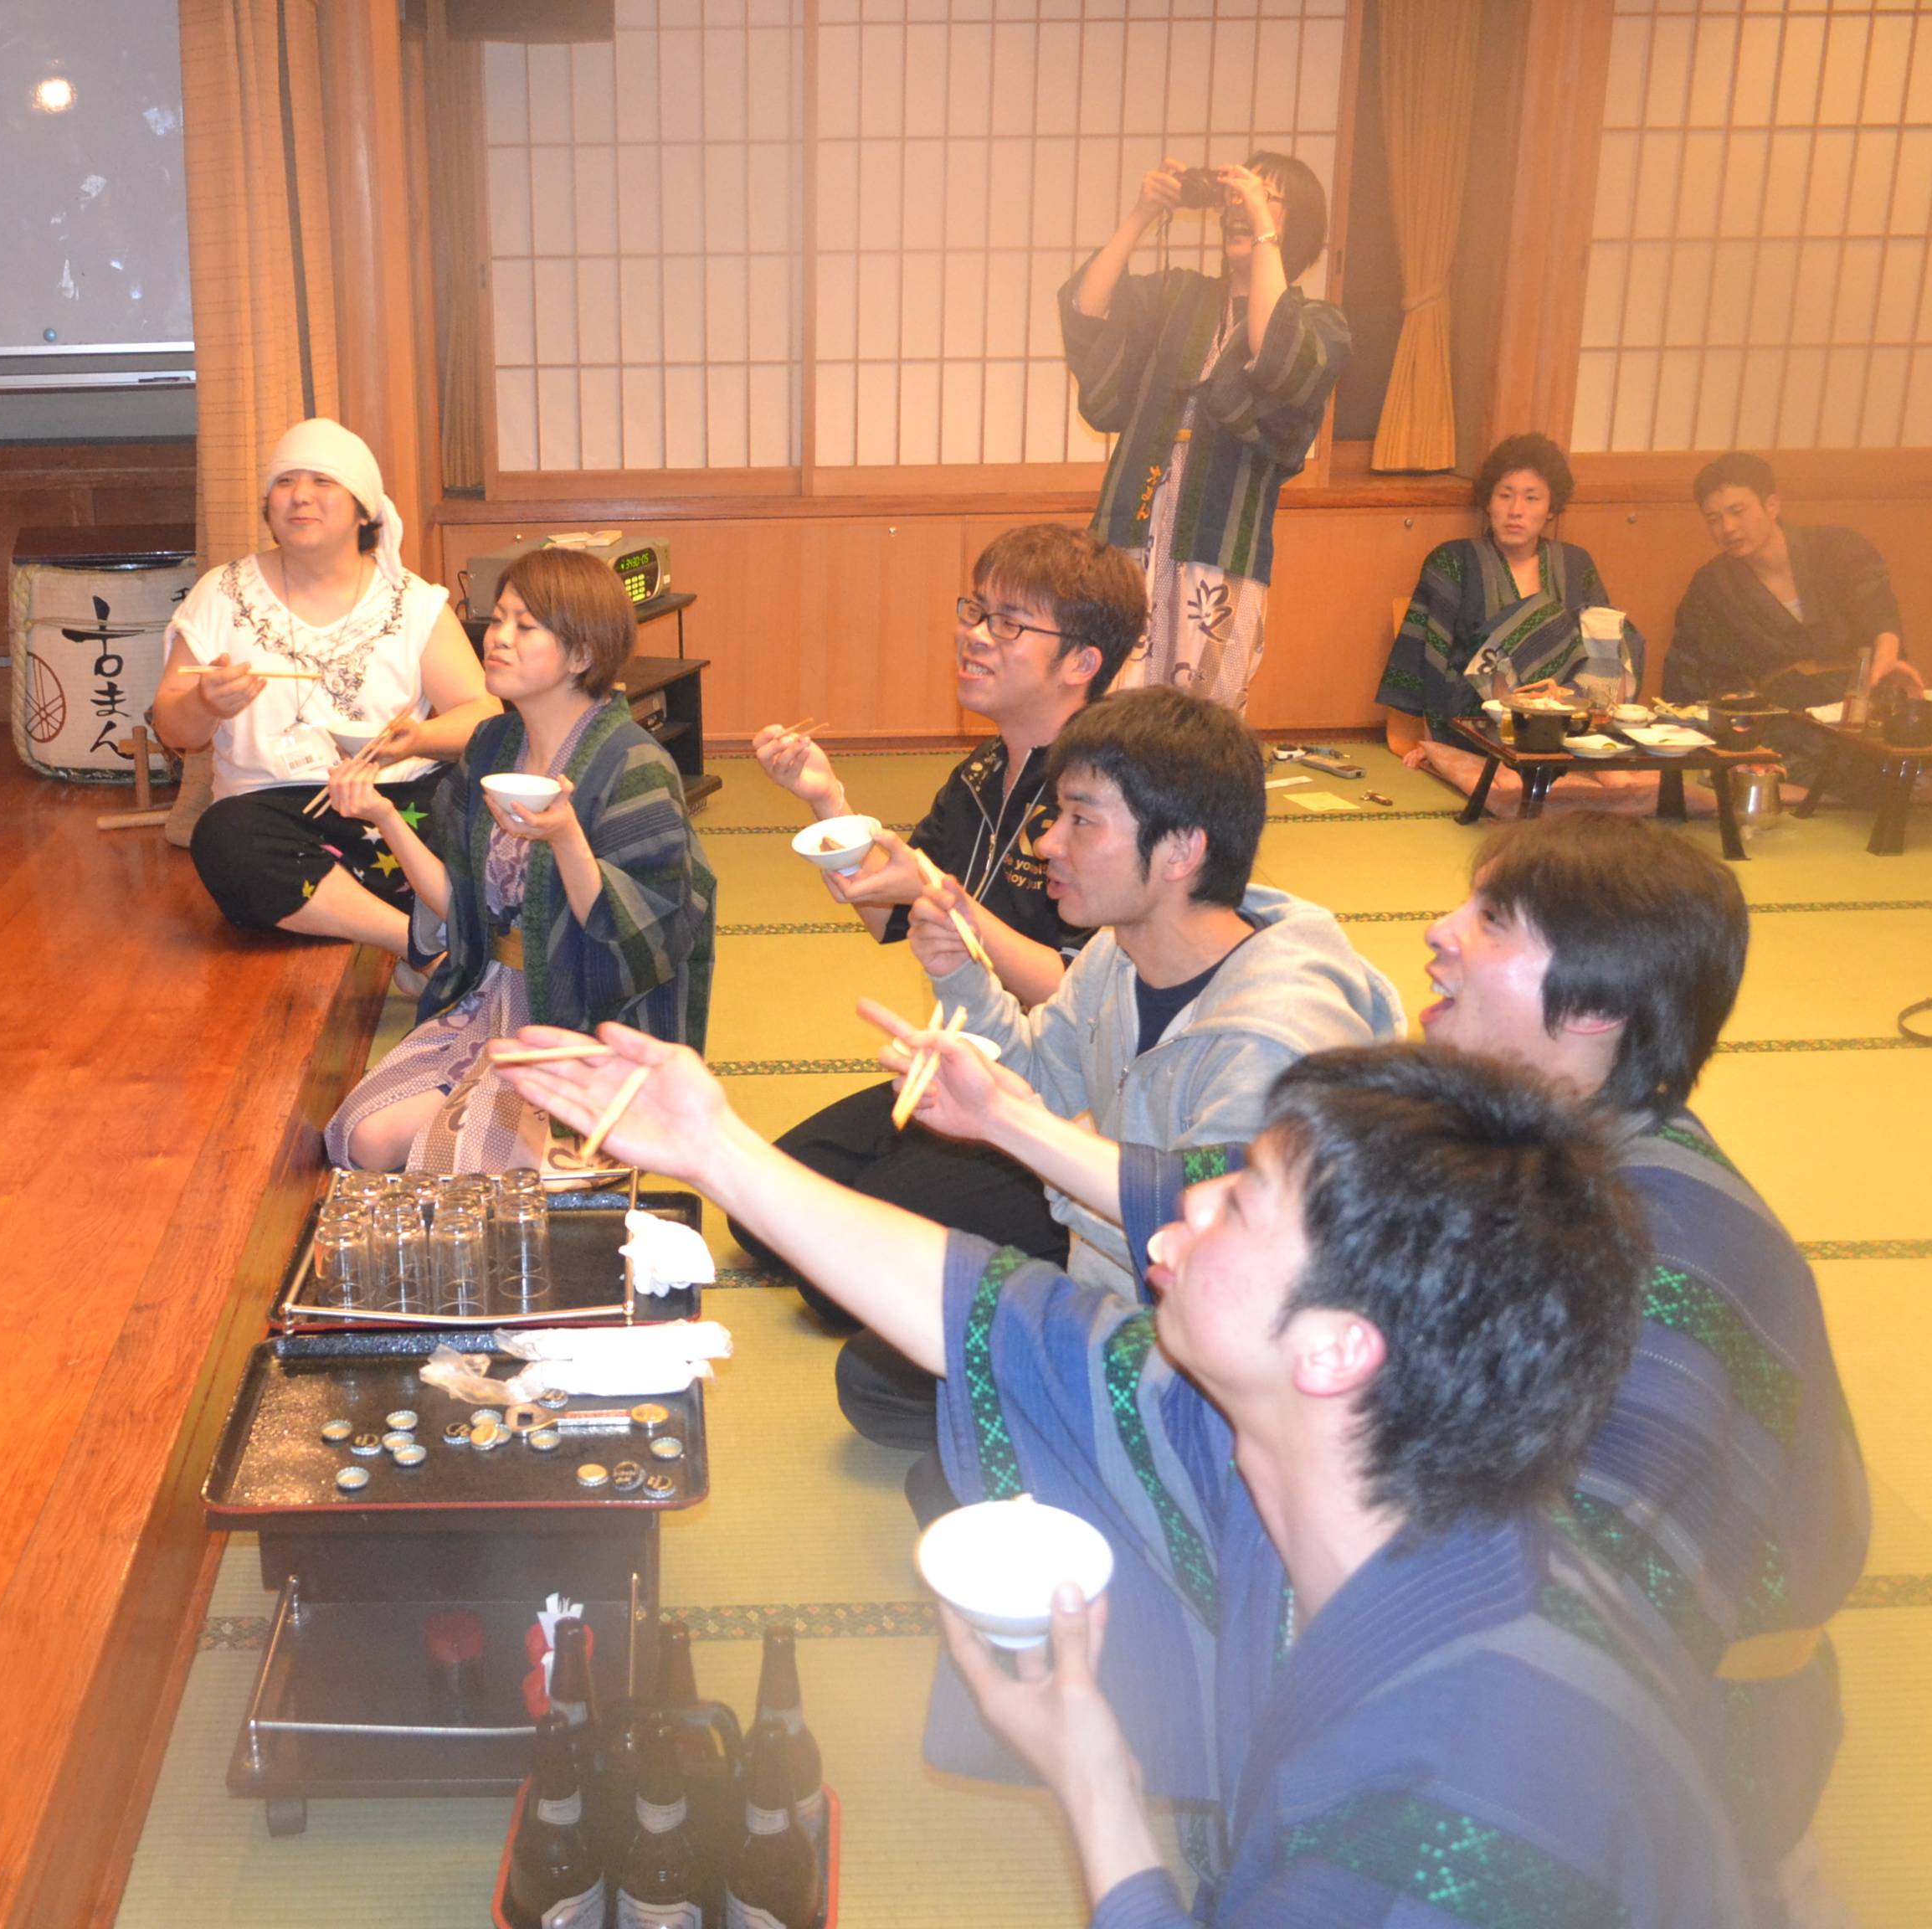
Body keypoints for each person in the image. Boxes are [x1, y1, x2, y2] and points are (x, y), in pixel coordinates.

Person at [499, 1033, 1754, 1927]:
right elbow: (996, 1314)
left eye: (1236, 1208)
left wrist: (1097, 1792)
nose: (1168, 1225)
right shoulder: (1334, 1464)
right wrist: (714, 1149)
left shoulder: (1474, 1793)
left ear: (1337, 1349)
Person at [1417, 815, 1867, 1912]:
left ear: (1596, 1006)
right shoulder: (1551, 1133)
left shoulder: (1665, 1244)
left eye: (1490, 920)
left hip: (1699, 1736)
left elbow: (1598, 1595)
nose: (1439, 933)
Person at [835, 687, 1401, 1504]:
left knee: (947, 1488)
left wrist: (1023, 1136)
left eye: (1081, 820)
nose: (1048, 842)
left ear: (1181, 851)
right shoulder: (1117, 953)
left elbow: (1199, 1253)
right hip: (1115, 1293)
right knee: (873, 1377)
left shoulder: (1269, 1044)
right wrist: (960, 977)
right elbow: (1041, 1076)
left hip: (1219, 1360)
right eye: (1056, 815)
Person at [736, 523, 1143, 1281]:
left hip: (1058, 1102)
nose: (975, 635)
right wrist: (828, 800)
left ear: (1081, 662)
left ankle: (1071, 1237)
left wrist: (946, 901)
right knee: (761, 1214)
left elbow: (1091, 993)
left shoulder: (1106, 794)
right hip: (964, 1065)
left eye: (1009, 623)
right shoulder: (982, 772)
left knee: (843, 1269)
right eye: (975, 610)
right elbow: (887, 916)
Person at [322, 546, 712, 1172]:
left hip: (581, 1015)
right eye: (498, 618)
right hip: (491, 997)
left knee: (454, 1161)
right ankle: (534, 1153)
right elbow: (460, 910)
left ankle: (581, 1146)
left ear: (581, 655)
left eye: (525, 626)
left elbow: (647, 940)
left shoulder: (634, 765)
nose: (497, 638)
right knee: (364, 1138)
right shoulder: (492, 743)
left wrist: (567, 838)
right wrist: (384, 817)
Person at [155, 417, 497, 958]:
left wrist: (417, 740)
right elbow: (173, 728)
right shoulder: (220, 593)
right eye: (285, 482)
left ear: (364, 510)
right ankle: (414, 944)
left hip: (396, 807)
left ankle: (350, 912)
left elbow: (483, 715)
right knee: (223, 837)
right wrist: (203, 702)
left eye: (323, 481)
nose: (300, 496)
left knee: (479, 805)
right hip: (276, 815)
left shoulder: (412, 601)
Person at [1063, 155, 1347, 712]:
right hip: (1131, 533)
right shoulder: (1178, 295)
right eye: (1236, 196)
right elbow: (1088, 311)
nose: (1240, 206)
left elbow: (1279, 358)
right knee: (1109, 701)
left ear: (1297, 224)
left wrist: (1263, 231)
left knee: (1203, 715)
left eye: (1264, 196)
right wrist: (1142, 215)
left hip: (1220, 543)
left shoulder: (1322, 325)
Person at [1375, 431, 1639, 759]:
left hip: (1566, 719)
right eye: (1505, 496)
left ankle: (1590, 749)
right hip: (1479, 720)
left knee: (1615, 630)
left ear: (1551, 508)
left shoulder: (1575, 564)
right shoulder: (1454, 561)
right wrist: (1431, 744)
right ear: (1488, 503)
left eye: (1532, 498)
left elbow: (1604, 649)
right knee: (1541, 615)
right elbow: (1431, 660)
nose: (1516, 511)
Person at [1667, 451, 1919, 707]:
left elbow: (1878, 609)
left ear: (1772, 506)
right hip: (1778, 720)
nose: (1727, 527)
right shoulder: (1712, 587)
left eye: (1737, 512)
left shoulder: (1839, 548)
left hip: (1864, 707)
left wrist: (1887, 658)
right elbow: (1698, 671)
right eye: (1714, 519)